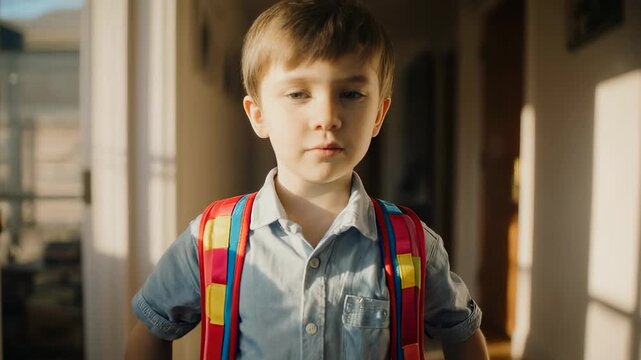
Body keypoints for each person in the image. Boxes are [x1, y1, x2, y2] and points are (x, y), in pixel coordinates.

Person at [125, 0, 489, 359]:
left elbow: (463, 334)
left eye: (350, 94)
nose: (327, 116)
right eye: (298, 93)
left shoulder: (413, 246)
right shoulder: (211, 240)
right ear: (258, 115)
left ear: (379, 114)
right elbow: (150, 331)